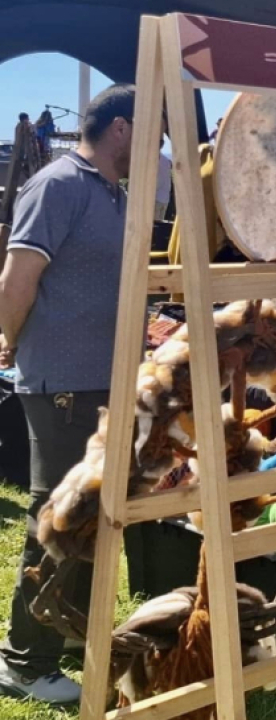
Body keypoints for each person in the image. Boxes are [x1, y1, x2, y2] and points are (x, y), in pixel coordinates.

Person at [0, 84, 136, 704]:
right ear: (121, 128)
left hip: (100, 384)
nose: (158, 148)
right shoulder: (57, 184)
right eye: (152, 133)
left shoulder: (115, 193)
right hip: (62, 385)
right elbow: (16, 279)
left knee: (87, 521)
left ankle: (65, 638)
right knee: (57, 520)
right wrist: (11, 341)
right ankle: (24, 662)